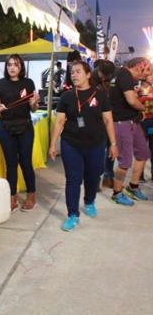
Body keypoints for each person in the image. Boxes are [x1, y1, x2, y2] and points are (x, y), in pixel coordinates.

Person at [49, 61, 118, 231]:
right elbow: (59, 121)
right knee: (73, 179)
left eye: (78, 71)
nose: (74, 75)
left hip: (96, 143)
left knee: (93, 176)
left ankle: (89, 201)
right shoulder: (66, 96)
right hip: (71, 143)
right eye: (72, 72)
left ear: (88, 75)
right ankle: (73, 214)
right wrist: (52, 144)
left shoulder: (100, 95)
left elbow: (108, 120)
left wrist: (113, 144)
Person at [0, 54, 40, 212]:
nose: (12, 67)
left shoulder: (28, 83)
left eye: (16, 65)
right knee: (11, 163)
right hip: (6, 128)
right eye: (9, 64)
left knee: (26, 162)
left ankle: (31, 195)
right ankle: (12, 197)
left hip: (25, 127)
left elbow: (34, 108)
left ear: (21, 67)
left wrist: (34, 103)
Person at [109, 57, 151, 205]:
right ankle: (116, 193)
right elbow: (131, 100)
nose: (147, 74)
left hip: (132, 121)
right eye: (146, 70)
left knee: (143, 153)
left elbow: (129, 98)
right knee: (125, 161)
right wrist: (143, 108)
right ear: (138, 66)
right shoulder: (124, 74)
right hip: (122, 123)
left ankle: (133, 187)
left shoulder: (124, 76)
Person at [92, 59, 116, 189]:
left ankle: (108, 177)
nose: (106, 78)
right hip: (97, 121)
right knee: (99, 152)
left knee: (112, 148)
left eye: (109, 76)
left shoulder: (111, 78)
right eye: (104, 75)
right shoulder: (91, 79)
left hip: (110, 118)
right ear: (99, 71)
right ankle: (95, 180)